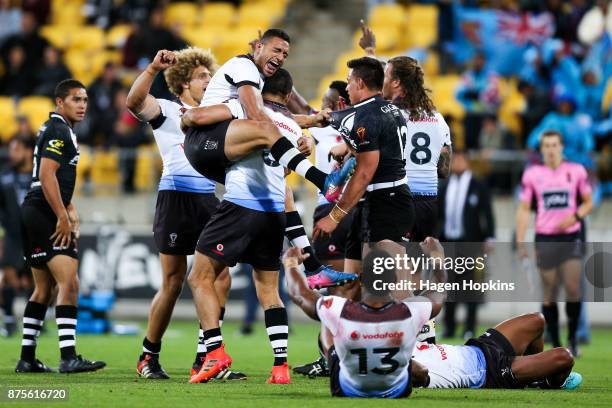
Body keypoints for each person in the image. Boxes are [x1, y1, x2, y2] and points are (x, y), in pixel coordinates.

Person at [126, 47, 243, 381]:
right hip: (175, 198)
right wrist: (150, 69)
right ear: (182, 84)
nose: (208, 81)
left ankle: (205, 357)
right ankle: (148, 355)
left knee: (221, 276)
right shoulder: (168, 110)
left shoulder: (217, 115)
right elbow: (134, 103)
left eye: (210, 75)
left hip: (208, 200)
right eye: (202, 76)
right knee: (174, 281)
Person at [188, 69, 304, 385]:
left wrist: (188, 117)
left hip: (240, 205)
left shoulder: (246, 110)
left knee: (200, 277)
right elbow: (284, 177)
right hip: (274, 213)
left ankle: (214, 351)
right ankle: (280, 367)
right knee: (268, 290)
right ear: (289, 95)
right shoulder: (292, 128)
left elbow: (199, 118)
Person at [180, 28, 355, 202]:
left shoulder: (256, 79)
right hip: (205, 140)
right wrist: (292, 140)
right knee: (268, 134)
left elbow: (269, 117)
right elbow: (256, 115)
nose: (281, 57)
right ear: (258, 47)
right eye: (276, 50)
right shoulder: (245, 66)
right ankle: (323, 181)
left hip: (212, 147)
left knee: (278, 184)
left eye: (285, 54)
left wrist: (309, 123)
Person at [16, 79, 106, 373]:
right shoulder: (59, 130)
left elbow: (50, 177)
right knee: (70, 283)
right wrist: (63, 216)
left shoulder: (53, 128)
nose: (82, 105)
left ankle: (27, 358)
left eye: (85, 100)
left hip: (33, 210)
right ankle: (68, 357)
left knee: (44, 289)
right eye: (76, 99)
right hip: (44, 212)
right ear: (60, 102)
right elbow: (47, 174)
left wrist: (69, 207)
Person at [284, 237, 448, 398]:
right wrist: (437, 256)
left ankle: (329, 361)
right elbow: (439, 292)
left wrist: (290, 262)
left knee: (328, 317)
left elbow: (299, 294)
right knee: (422, 372)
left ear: (361, 279)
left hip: (347, 389)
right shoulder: (409, 311)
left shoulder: (339, 308)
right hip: (399, 389)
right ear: (395, 281)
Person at [314, 57, 414, 295]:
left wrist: (335, 216)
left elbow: (365, 172)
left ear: (359, 83)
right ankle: (346, 332)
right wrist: (349, 149)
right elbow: (375, 148)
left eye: (349, 82)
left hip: (387, 203)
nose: (346, 88)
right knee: (351, 286)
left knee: (392, 290)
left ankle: (423, 331)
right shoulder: (390, 109)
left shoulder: (367, 117)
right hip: (372, 203)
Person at [293, 80, 356, 377]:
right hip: (355, 210)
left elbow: (293, 104)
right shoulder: (360, 125)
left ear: (342, 103)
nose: (322, 108)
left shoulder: (337, 128)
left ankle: (331, 357)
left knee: (334, 288)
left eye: (328, 102)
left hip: (333, 212)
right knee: (344, 288)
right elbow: (296, 104)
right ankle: (337, 354)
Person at [516, 130, 593, 356]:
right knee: (549, 291)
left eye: (554, 145)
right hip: (545, 237)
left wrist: (576, 217)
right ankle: (557, 342)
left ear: (561, 147)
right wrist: (521, 240)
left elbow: (588, 202)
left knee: (572, 287)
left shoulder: (576, 171)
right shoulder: (532, 174)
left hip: (570, 236)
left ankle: (572, 338)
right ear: (541, 150)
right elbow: (523, 209)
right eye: (546, 146)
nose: (550, 149)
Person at [411, 313, 582, 390]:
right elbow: (421, 374)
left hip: (477, 347)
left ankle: (530, 379)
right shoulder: (402, 368)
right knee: (564, 357)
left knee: (537, 321)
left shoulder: (399, 341)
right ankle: (552, 383)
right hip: (490, 372)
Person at [438, 150, 495, 339]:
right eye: (455, 160)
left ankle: (469, 327)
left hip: (471, 242)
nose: (458, 163)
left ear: (467, 162)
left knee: (471, 287)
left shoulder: (478, 185)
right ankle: (450, 327)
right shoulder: (445, 185)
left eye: (461, 160)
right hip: (448, 242)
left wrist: (490, 237)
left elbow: (487, 213)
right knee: (449, 287)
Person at [0, 134, 35, 337]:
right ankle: (10, 320)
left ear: (28, 152)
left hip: (33, 235)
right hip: (12, 236)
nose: (12, 154)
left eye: (17, 149)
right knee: (10, 278)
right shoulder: (4, 177)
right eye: (11, 150)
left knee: (33, 281)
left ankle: (34, 321)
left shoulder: (39, 175)